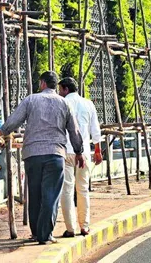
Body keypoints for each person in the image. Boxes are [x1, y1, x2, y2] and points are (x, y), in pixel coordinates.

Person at [0, 71, 84, 245]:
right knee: (51, 195)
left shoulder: (31, 100)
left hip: (32, 155)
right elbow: (74, 131)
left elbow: (14, 120)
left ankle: (35, 233)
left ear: (42, 83)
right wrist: (79, 152)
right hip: (55, 154)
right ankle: (45, 234)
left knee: (34, 194)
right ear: (55, 86)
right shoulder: (64, 104)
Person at [58, 77, 103, 238]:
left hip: (65, 152)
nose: (59, 93)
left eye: (60, 90)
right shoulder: (88, 104)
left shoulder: (61, 103)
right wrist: (97, 150)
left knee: (67, 190)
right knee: (83, 189)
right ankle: (84, 226)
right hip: (83, 153)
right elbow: (95, 129)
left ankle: (70, 228)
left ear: (65, 89)